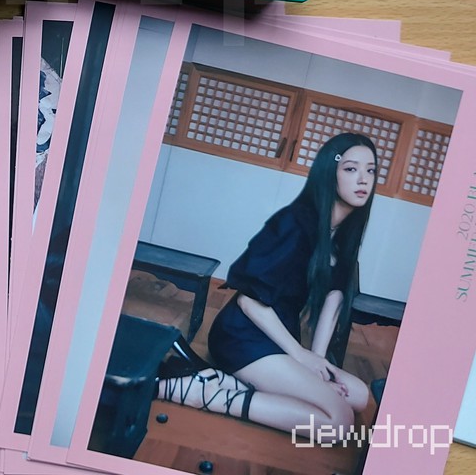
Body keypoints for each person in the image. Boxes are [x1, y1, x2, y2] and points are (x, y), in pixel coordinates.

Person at [156, 132, 378, 440]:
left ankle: (218, 380)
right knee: (338, 423)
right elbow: (249, 301)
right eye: (351, 169)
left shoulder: (343, 234)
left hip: (281, 336)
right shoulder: (293, 223)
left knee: (358, 396)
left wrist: (317, 361)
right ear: (330, 172)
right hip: (244, 336)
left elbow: (333, 300)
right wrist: (300, 356)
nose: (363, 179)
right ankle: (203, 394)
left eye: (371, 170)